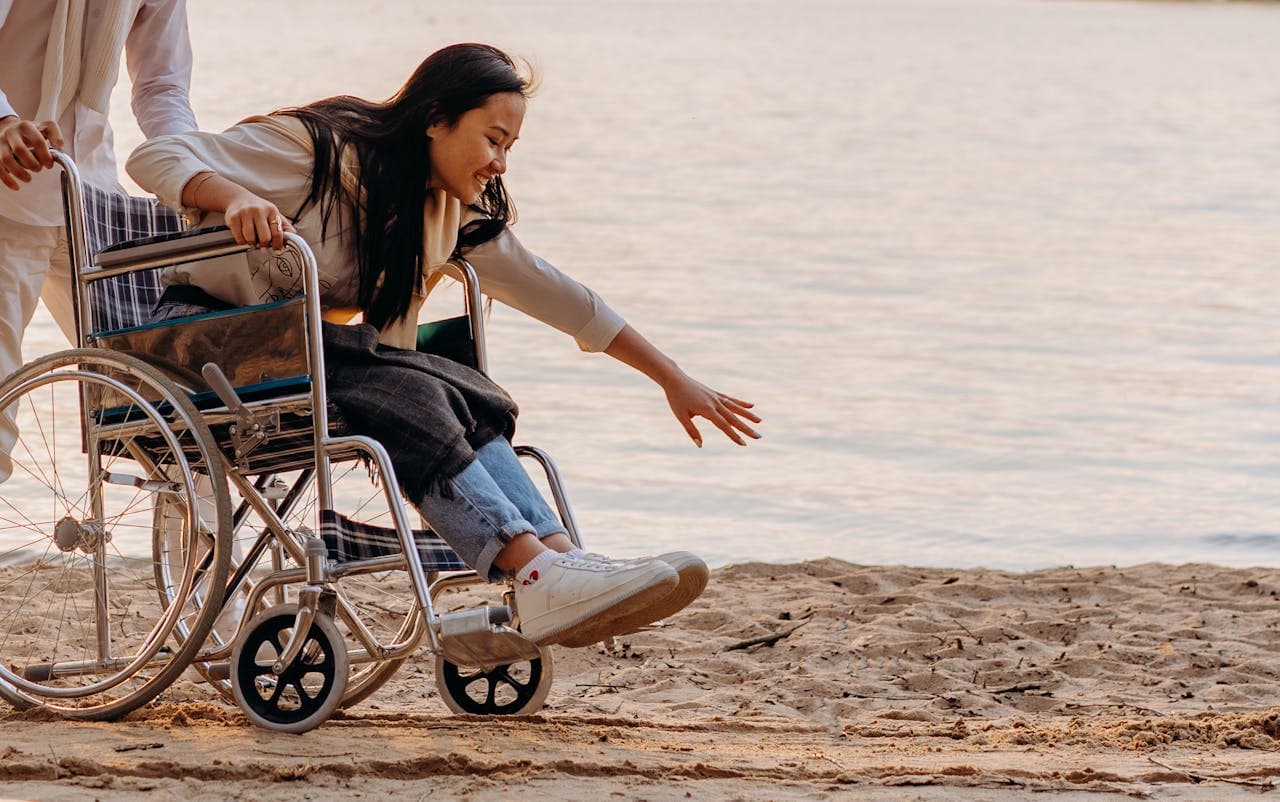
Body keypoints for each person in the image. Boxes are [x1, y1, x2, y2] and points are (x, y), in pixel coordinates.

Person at [126, 43, 762, 648]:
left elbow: (562, 296)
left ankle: (561, 563)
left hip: (300, 350)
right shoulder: (316, 149)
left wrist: (670, 377)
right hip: (203, 344)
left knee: (468, 390)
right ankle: (534, 572)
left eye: (510, 147)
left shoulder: (440, 212)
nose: (501, 163)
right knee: (404, 385)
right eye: (493, 139)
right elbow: (153, 159)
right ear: (436, 120)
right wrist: (235, 197)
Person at [0, 0, 197, 483]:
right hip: (4, 199)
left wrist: (192, 173)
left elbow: (161, 86)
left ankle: (210, 550)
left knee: (172, 394)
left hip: (92, 201)